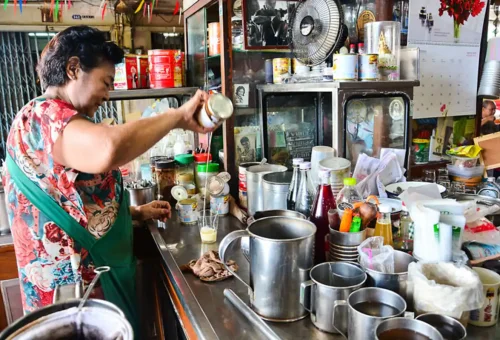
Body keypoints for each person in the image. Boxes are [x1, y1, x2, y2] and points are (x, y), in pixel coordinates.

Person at [2, 26, 213, 336]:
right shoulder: (43, 116)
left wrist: (134, 214)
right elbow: (108, 149)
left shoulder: (64, 120)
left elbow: (70, 201)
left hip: (89, 290)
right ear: (73, 69)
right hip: (73, 298)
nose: (107, 94)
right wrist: (177, 117)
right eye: (104, 82)